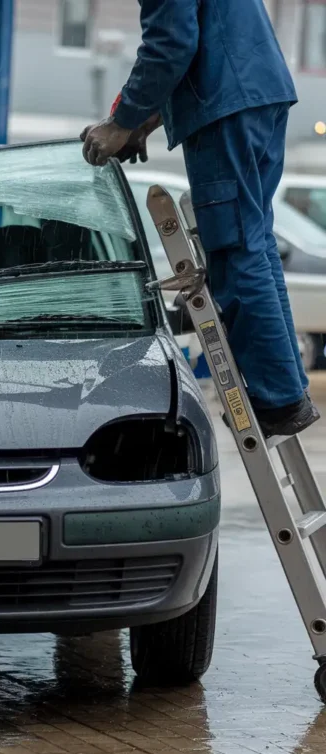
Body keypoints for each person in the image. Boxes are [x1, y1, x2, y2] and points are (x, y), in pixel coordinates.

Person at [80, 0, 319, 438]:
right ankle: (286, 391)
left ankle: (279, 399)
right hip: (255, 93)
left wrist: (122, 120)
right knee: (255, 243)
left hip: (224, 105)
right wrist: (141, 121)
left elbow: (170, 43)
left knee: (235, 249)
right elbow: (191, 38)